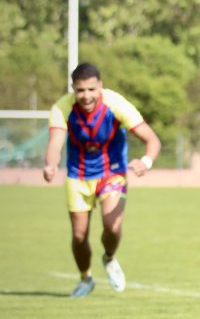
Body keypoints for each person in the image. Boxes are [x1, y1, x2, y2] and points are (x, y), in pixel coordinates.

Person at [42, 62, 161, 297]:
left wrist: (146, 162)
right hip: (77, 176)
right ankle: (86, 278)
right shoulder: (62, 108)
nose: (86, 96)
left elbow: (152, 139)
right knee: (79, 235)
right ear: (73, 89)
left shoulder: (116, 105)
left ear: (100, 87)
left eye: (91, 89)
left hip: (112, 173)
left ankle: (109, 257)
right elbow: (55, 143)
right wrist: (51, 164)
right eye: (80, 90)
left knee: (112, 226)